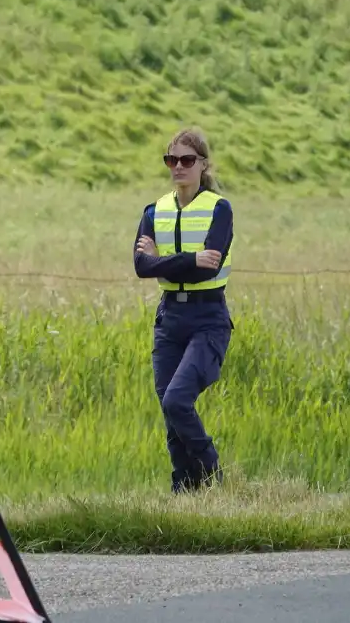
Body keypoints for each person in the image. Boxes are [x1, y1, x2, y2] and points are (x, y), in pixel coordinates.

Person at [133, 127, 235, 494]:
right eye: (172, 160)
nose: (178, 166)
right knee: (169, 410)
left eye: (187, 160)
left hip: (208, 319)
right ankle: (185, 490)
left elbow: (209, 265)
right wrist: (189, 259)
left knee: (178, 400)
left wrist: (163, 260)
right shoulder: (154, 210)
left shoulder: (219, 210)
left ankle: (213, 476)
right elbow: (141, 267)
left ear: (203, 164)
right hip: (169, 321)